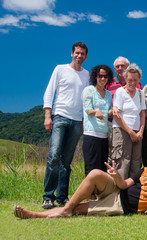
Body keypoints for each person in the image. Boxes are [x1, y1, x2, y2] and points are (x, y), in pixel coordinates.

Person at [14, 148, 147, 219]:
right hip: (117, 191)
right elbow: (124, 185)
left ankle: (34, 215)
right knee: (95, 173)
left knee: (78, 210)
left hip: (121, 206)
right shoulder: (146, 170)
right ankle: (66, 208)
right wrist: (116, 177)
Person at [42, 42, 89, 209]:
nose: (79, 56)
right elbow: (49, 91)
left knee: (66, 160)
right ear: (71, 53)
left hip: (77, 120)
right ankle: (48, 196)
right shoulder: (60, 69)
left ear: (86, 56)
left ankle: (62, 197)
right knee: (54, 155)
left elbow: (85, 99)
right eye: (77, 53)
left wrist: (84, 121)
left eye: (82, 54)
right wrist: (48, 115)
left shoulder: (86, 75)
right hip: (60, 116)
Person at [111, 64, 146, 178]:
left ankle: (132, 191)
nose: (132, 82)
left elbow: (142, 114)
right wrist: (130, 132)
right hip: (122, 130)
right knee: (122, 161)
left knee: (135, 162)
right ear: (125, 79)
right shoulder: (120, 92)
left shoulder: (140, 93)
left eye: (135, 80)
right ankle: (120, 192)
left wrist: (140, 131)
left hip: (137, 132)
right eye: (130, 80)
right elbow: (117, 115)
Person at [106, 57, 142, 163]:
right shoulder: (109, 83)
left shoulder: (138, 84)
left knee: (131, 157)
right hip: (113, 124)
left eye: (123, 66)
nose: (120, 68)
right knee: (115, 154)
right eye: (117, 66)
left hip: (133, 126)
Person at [82, 65, 113, 176]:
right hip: (91, 135)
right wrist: (96, 110)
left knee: (101, 170)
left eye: (105, 76)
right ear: (95, 76)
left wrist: (114, 110)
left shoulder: (108, 94)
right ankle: (89, 193)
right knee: (91, 170)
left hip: (104, 136)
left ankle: (100, 193)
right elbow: (88, 111)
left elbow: (107, 112)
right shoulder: (88, 90)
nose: (103, 79)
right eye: (100, 76)